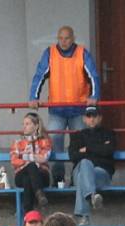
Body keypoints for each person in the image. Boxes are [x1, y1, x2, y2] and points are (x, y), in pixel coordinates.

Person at [29, 25, 100, 185]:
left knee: (80, 144)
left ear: (73, 38)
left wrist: (94, 96)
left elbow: (93, 76)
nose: (63, 41)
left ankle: (78, 178)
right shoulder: (50, 53)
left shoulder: (82, 53)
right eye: (60, 38)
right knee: (54, 142)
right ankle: (58, 178)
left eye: (67, 38)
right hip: (57, 109)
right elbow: (39, 75)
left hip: (78, 109)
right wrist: (33, 97)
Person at [68, 105, 116, 226]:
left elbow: (108, 151)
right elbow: (73, 156)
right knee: (84, 163)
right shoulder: (77, 135)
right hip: (83, 169)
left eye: (94, 116)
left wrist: (87, 149)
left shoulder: (109, 134)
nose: (92, 119)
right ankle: (91, 196)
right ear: (84, 119)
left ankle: (84, 215)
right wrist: (98, 148)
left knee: (81, 176)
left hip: (101, 174)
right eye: (88, 116)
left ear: (100, 118)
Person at [10, 112, 52, 214]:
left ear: (36, 126)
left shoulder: (45, 141)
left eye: (27, 124)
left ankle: (27, 213)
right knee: (31, 166)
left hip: (42, 175)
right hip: (21, 173)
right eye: (23, 124)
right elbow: (14, 160)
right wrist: (33, 159)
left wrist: (24, 156)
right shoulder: (17, 142)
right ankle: (39, 194)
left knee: (27, 179)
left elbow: (43, 158)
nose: (24, 127)